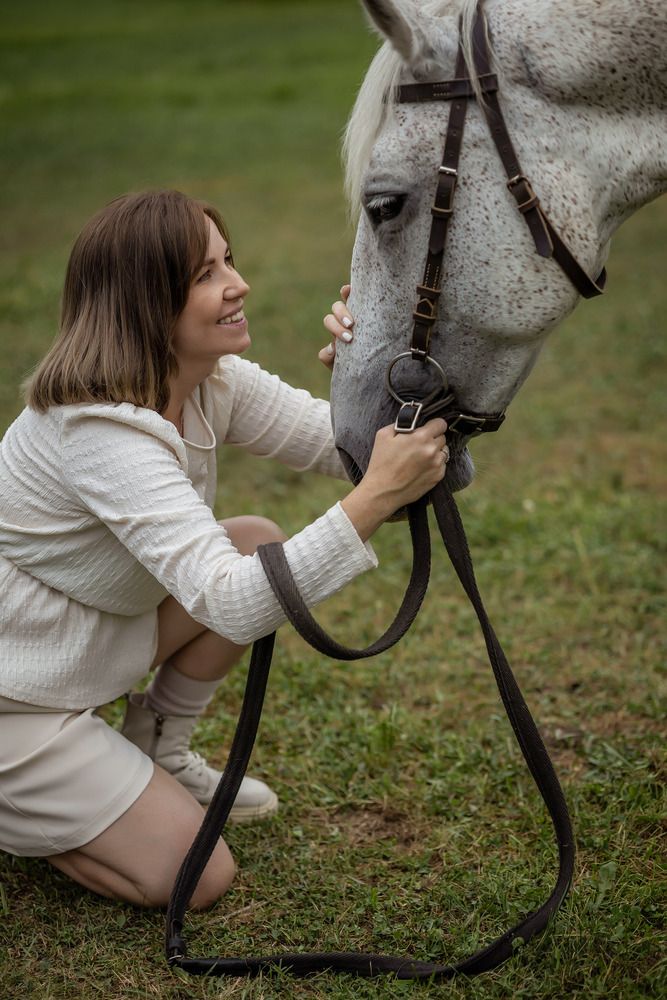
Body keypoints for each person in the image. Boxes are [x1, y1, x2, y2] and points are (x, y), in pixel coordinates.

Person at [0, 190, 448, 910]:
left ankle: (156, 751)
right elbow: (232, 598)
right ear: (145, 303)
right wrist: (369, 503)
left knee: (255, 542)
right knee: (197, 879)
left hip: (89, 637)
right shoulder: (97, 433)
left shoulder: (211, 382)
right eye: (204, 274)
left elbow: (354, 449)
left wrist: (375, 367)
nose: (237, 282)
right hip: (15, 699)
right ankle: (25, 806)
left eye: (227, 259)